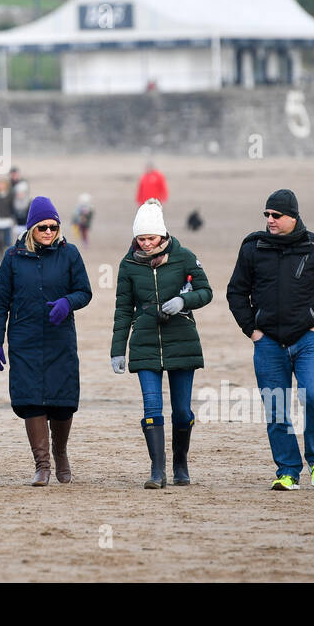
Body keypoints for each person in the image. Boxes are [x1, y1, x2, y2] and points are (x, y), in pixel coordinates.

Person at [226, 190, 314, 491]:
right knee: (276, 409)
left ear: (293, 216)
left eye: (276, 215)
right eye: (266, 215)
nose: (270, 220)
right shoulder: (253, 248)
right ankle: (288, 471)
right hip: (267, 342)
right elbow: (236, 292)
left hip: (308, 340)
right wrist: (252, 330)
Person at [0, 196, 92, 486]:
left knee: (62, 401)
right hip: (25, 339)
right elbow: (0, 302)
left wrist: (67, 302)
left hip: (60, 339)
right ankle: (42, 465)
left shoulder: (70, 254)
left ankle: (60, 452)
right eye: (43, 227)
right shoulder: (12, 257)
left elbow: (85, 291)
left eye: (54, 227)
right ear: (31, 228)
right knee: (31, 400)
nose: (48, 232)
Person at [110, 198, 212, 488]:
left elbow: (206, 292)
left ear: (163, 235)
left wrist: (183, 300)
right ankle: (157, 471)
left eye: (151, 238)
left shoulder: (185, 258)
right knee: (152, 407)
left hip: (181, 340)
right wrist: (118, 350)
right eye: (140, 238)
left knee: (181, 410)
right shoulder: (128, 264)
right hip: (144, 343)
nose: (146, 244)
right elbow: (122, 309)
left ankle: (181, 464)